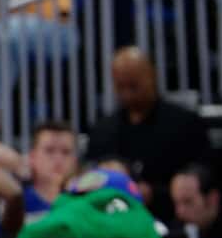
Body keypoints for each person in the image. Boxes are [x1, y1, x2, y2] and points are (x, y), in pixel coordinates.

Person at [85, 47, 211, 223]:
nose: (128, 93)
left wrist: (155, 193)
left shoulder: (185, 124)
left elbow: (204, 177)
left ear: (152, 76)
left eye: (134, 85)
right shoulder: (103, 131)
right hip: (116, 223)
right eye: (121, 86)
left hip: (173, 218)